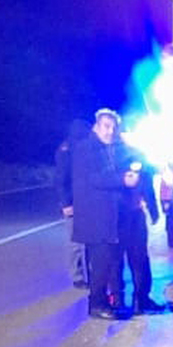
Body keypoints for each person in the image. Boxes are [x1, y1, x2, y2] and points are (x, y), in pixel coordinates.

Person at [72, 109, 136, 319]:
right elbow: (94, 178)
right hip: (95, 217)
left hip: (111, 217)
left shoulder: (112, 148)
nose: (110, 131)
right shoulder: (86, 149)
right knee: (99, 264)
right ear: (96, 127)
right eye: (106, 127)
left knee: (109, 262)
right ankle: (96, 304)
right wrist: (121, 180)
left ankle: (108, 300)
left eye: (112, 127)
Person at [115, 137, 165, 315]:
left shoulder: (117, 155)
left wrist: (153, 210)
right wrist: (153, 210)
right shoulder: (118, 156)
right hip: (122, 216)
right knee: (131, 260)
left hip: (128, 216)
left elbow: (148, 181)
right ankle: (133, 300)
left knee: (134, 260)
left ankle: (132, 300)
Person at [55, 119, 91, 288]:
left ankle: (91, 275)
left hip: (88, 200)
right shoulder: (67, 150)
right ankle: (77, 277)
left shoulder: (85, 148)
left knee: (90, 241)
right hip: (73, 202)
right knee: (75, 243)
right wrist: (65, 203)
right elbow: (61, 179)